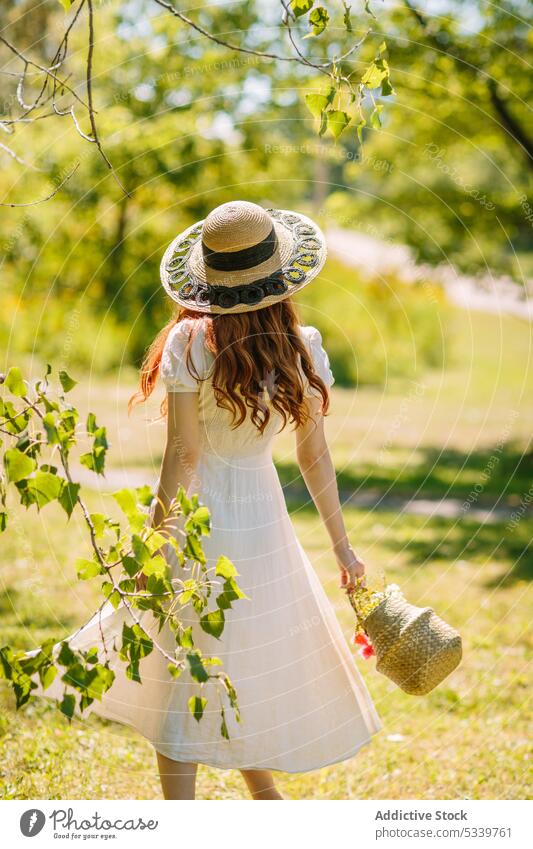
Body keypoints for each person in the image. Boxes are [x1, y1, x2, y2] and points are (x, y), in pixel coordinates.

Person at [38, 201, 382, 799]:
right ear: (280, 275)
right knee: (240, 656)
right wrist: (343, 549)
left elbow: (185, 455)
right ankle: (265, 801)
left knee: (191, 664)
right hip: (263, 522)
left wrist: (156, 537)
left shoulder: (188, 343)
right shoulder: (302, 347)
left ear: (208, 280)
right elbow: (314, 456)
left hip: (199, 519)